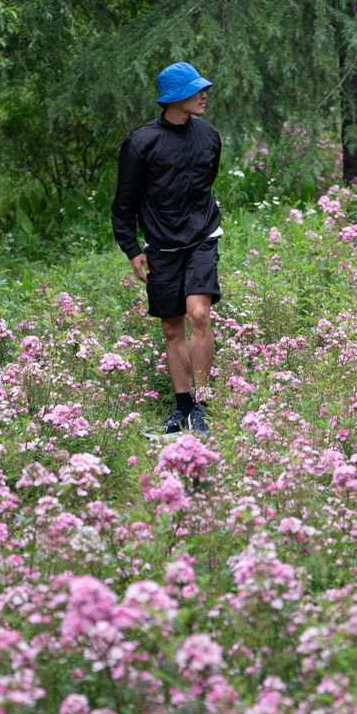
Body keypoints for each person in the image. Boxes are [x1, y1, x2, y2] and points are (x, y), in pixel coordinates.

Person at [111, 61, 223, 437]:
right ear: (175, 97)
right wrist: (131, 248)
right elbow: (124, 203)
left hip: (203, 238)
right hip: (160, 246)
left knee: (199, 315)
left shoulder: (208, 135)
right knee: (173, 327)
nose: (204, 94)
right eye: (196, 90)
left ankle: (203, 407)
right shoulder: (141, 143)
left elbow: (208, 183)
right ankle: (182, 410)